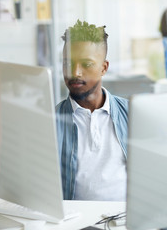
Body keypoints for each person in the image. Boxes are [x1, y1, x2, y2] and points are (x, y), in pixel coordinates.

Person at [55, 20, 128, 201]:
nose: (75, 72)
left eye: (86, 64)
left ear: (104, 68)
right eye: (68, 63)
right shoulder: (50, 121)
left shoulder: (132, 114)